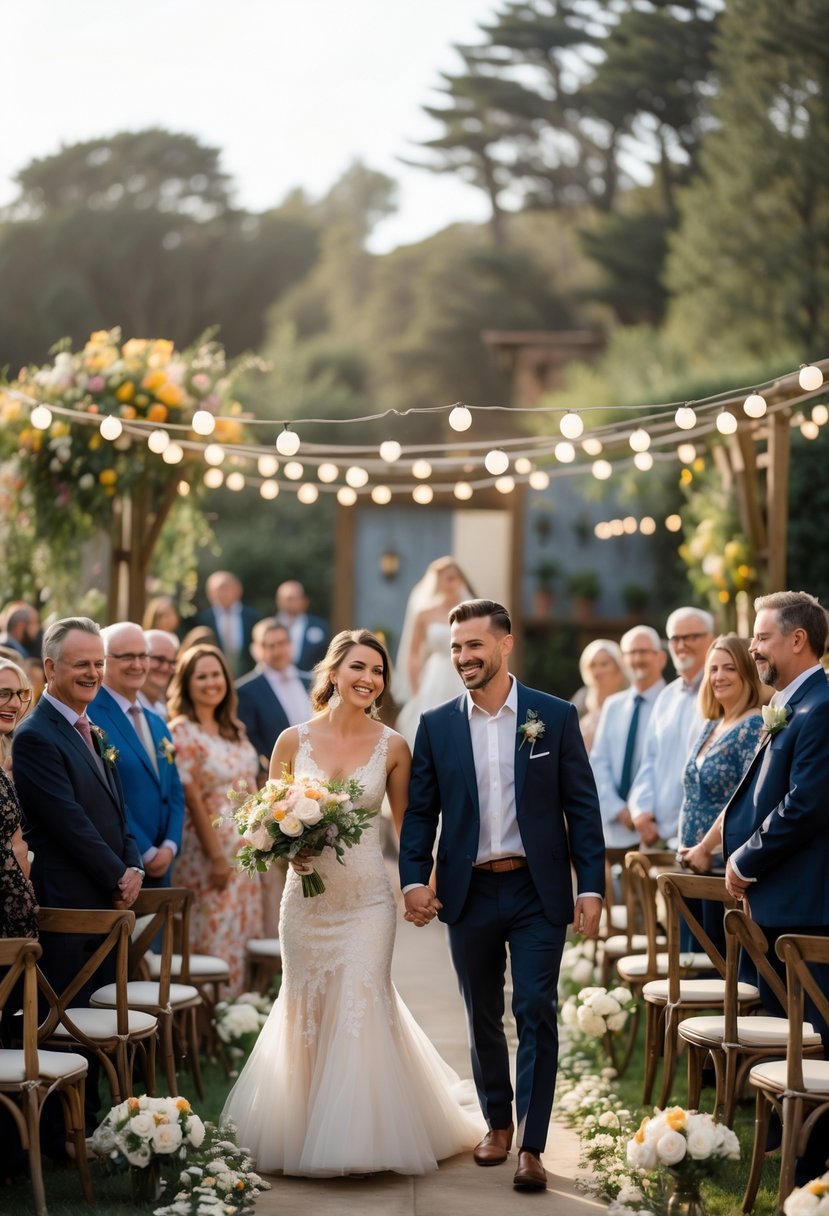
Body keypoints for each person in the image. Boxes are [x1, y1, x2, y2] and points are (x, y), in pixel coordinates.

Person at [222, 629, 486, 1176]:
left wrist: (422, 882)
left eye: (379, 671)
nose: (370, 679)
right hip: (306, 903)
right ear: (334, 672)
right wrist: (283, 849)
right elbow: (263, 824)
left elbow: (412, 825)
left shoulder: (394, 745)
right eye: (359, 667)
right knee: (307, 1007)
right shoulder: (292, 742)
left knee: (360, 1001)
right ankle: (306, 1128)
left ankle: (361, 1140)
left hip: (366, 900)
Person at [399, 599, 605, 1191]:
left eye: (474, 646)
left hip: (537, 888)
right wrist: (415, 878)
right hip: (469, 890)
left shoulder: (554, 715)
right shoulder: (437, 724)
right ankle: (496, 1122)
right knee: (482, 1013)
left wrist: (589, 884)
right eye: (456, 647)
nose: (463, 657)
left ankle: (533, 1146)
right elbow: (420, 814)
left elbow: (582, 808)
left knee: (535, 1009)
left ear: (505, 644)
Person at [12, 617, 143, 1142]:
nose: (93, 673)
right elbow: (68, 822)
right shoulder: (35, 736)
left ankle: (90, 1128)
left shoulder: (97, 730)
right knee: (64, 1023)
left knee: (95, 1018)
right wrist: (117, 873)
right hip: (67, 905)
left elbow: (118, 813)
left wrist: (131, 865)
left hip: (107, 903)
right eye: (81, 663)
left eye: (98, 663)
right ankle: (60, 1136)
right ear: (49, 668)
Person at [720, 591, 829, 1184]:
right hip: (780, 900)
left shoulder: (822, 706)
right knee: (793, 1033)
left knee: (814, 1035)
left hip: (807, 904)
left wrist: (745, 859)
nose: (753, 647)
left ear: (797, 640)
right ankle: (794, 1146)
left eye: (761, 637)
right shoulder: (793, 704)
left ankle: (812, 1163)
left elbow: (806, 805)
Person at [168, 644, 263, 993]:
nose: (211, 683)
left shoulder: (233, 729)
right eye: (201, 676)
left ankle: (238, 1019)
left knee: (241, 931)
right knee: (212, 933)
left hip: (246, 855)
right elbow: (191, 796)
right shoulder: (182, 731)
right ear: (187, 683)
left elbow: (253, 789)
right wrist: (216, 857)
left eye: (216, 674)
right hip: (209, 854)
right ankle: (208, 1027)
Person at [675, 635, 763, 953]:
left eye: (729, 668)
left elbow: (743, 800)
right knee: (689, 961)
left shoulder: (753, 726)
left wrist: (705, 847)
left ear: (747, 674)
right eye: (713, 669)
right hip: (691, 863)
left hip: (718, 865)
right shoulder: (712, 725)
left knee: (713, 964)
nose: (719, 676)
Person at [89, 623, 184, 888]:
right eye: (126, 657)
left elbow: (174, 789)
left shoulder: (157, 721)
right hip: (121, 866)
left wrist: (170, 845)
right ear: (104, 661)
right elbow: (102, 794)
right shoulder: (92, 716)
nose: (138, 664)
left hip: (163, 866)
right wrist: (146, 851)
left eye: (143, 656)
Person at [628, 607, 715, 847]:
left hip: (702, 841)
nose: (681, 644)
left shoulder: (721, 694)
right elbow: (649, 761)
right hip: (659, 837)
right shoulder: (666, 697)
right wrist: (640, 809)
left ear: (712, 639)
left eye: (691, 637)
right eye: (675, 638)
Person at [589, 626, 667, 849]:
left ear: (660, 658)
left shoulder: (672, 702)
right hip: (613, 828)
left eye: (644, 652)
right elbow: (598, 761)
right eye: (631, 653)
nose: (637, 659)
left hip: (655, 828)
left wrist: (641, 811)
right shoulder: (613, 705)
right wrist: (618, 809)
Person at [393, 557, 474, 749]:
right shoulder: (425, 614)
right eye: (447, 577)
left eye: (456, 577)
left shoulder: (472, 611)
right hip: (436, 673)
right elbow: (412, 654)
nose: (452, 582)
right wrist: (415, 689)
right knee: (431, 722)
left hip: (465, 669)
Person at [236, 618, 311, 775]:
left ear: (291, 644)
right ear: (257, 649)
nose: (278, 651)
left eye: (282, 643)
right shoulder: (244, 691)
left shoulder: (313, 681)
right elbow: (250, 741)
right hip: (277, 777)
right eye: (270, 646)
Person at [0, 657, 36, 936]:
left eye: (20, 694)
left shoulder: (7, 758)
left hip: (15, 915)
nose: (14, 704)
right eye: (4, 693)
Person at [195, 571, 259, 678]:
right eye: (215, 590)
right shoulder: (202, 620)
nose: (220, 593)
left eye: (224, 588)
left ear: (238, 590)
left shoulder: (253, 617)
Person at [575, 639, 628, 753]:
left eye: (604, 664)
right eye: (592, 665)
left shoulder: (629, 698)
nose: (597, 671)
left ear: (618, 667)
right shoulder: (582, 697)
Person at [275, 579, 329, 673]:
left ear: (303, 600)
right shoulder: (269, 626)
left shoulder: (319, 626)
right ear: (278, 601)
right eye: (287, 599)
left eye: (293, 598)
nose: (289, 603)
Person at [139, 629, 180, 719]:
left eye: (172, 662)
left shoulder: (164, 712)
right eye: (159, 659)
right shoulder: (127, 709)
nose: (165, 668)